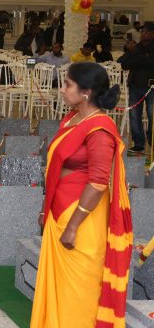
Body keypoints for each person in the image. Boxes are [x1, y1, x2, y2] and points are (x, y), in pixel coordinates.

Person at [31, 62, 132, 327]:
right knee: (60, 289)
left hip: (81, 219)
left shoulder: (100, 129)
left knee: (77, 292)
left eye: (67, 84)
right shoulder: (72, 119)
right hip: (60, 209)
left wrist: (73, 226)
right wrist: (45, 208)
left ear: (86, 92)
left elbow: (97, 183)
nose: (62, 89)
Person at [118, 21, 154, 152]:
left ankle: (152, 140)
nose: (143, 34)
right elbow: (123, 63)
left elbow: (151, 63)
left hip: (151, 86)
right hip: (134, 86)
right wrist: (141, 59)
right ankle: (138, 143)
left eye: (147, 32)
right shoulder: (136, 48)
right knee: (134, 115)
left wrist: (137, 60)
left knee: (152, 116)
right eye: (142, 31)